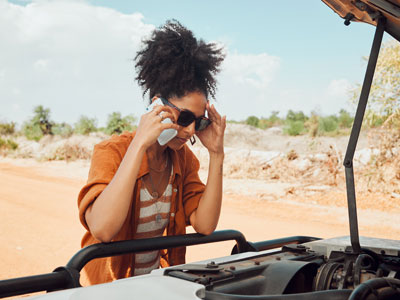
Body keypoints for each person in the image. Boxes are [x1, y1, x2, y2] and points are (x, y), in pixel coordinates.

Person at [77, 20, 226, 285]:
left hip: (152, 286)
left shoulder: (183, 160)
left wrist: (216, 154)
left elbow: (205, 225)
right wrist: (139, 145)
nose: (191, 130)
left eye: (199, 121)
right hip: (107, 289)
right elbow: (103, 228)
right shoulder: (111, 152)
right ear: (157, 104)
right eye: (184, 118)